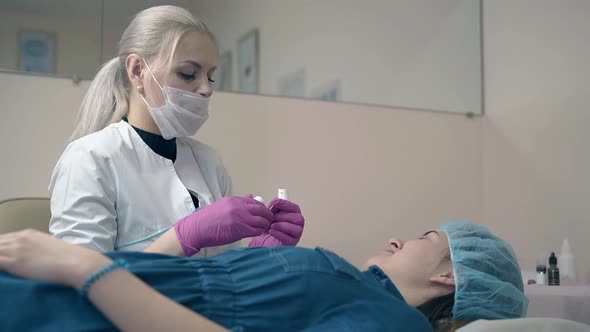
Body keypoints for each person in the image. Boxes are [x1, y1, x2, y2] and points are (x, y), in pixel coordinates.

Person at [48, 5, 304, 256]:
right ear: (137, 70)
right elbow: (80, 283)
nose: (206, 89)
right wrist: (183, 237)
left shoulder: (209, 163)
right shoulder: (90, 158)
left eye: (210, 76)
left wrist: (257, 256)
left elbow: (224, 279)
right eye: (188, 74)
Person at [0, 221, 527, 332]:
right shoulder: (360, 287)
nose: (396, 238)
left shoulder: (392, 326)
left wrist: (83, 267)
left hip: (69, 308)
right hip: (53, 285)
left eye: (421, 238)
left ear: (448, 279)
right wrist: (188, 239)